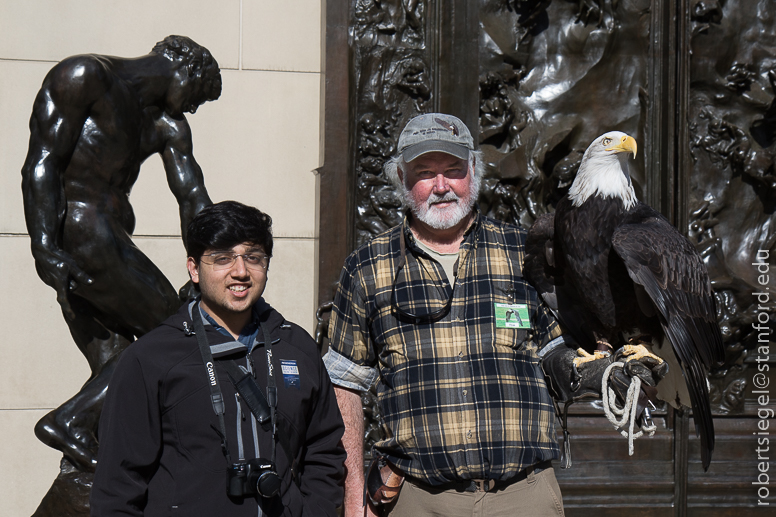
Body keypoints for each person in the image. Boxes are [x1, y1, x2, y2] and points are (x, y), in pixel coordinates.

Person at [21, 35, 222, 471]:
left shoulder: (166, 125)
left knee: (118, 367)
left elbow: (193, 198)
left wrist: (209, 267)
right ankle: (70, 422)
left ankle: (90, 458)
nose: (190, 109)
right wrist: (44, 245)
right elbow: (42, 161)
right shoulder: (85, 75)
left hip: (105, 240)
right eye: (197, 98)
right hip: (81, 236)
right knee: (180, 333)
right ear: (185, 70)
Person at [91, 201, 346, 516]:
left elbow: (325, 450)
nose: (240, 271)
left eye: (253, 257)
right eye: (222, 258)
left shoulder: (297, 347)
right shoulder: (150, 358)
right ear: (194, 269)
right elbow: (117, 487)